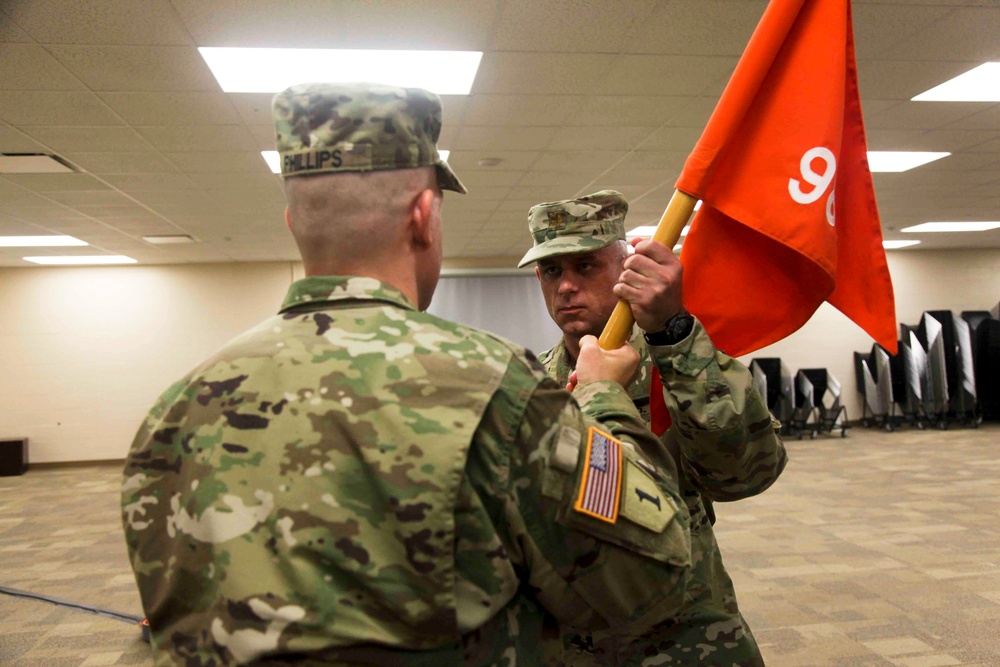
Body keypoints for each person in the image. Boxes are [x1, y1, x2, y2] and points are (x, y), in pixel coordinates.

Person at [121, 84, 694, 666]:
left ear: (293, 221)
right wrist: (601, 399)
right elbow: (650, 578)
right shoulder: (495, 388)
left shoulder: (177, 409)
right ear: (424, 217)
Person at [518, 190, 788, 666]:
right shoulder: (531, 386)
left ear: (624, 268)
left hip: (687, 642)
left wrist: (674, 333)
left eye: (586, 266)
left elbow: (743, 474)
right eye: (552, 271)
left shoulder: (676, 359)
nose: (565, 287)